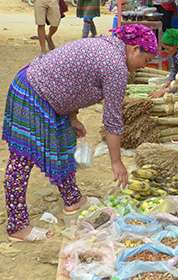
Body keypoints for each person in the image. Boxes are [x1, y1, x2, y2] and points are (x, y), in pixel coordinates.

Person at [2, 24, 157, 241]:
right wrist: (116, 162)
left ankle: (72, 199)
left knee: (65, 142)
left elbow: (74, 79)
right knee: (22, 159)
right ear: (134, 49)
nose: (143, 66)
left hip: (45, 91)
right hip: (33, 92)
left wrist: (72, 117)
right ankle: (17, 226)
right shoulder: (115, 66)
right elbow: (112, 119)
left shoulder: (108, 47)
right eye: (146, 60)